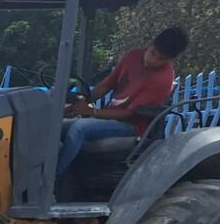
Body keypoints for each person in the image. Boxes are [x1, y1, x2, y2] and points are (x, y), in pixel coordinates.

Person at [56, 26, 189, 178]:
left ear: (170, 60)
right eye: (153, 53)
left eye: (161, 59)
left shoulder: (163, 78)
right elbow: (107, 85)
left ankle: (51, 180)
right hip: (110, 117)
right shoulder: (133, 56)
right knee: (59, 127)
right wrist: (79, 105)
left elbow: (130, 114)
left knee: (79, 128)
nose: (153, 60)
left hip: (132, 126)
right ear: (151, 44)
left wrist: (91, 112)